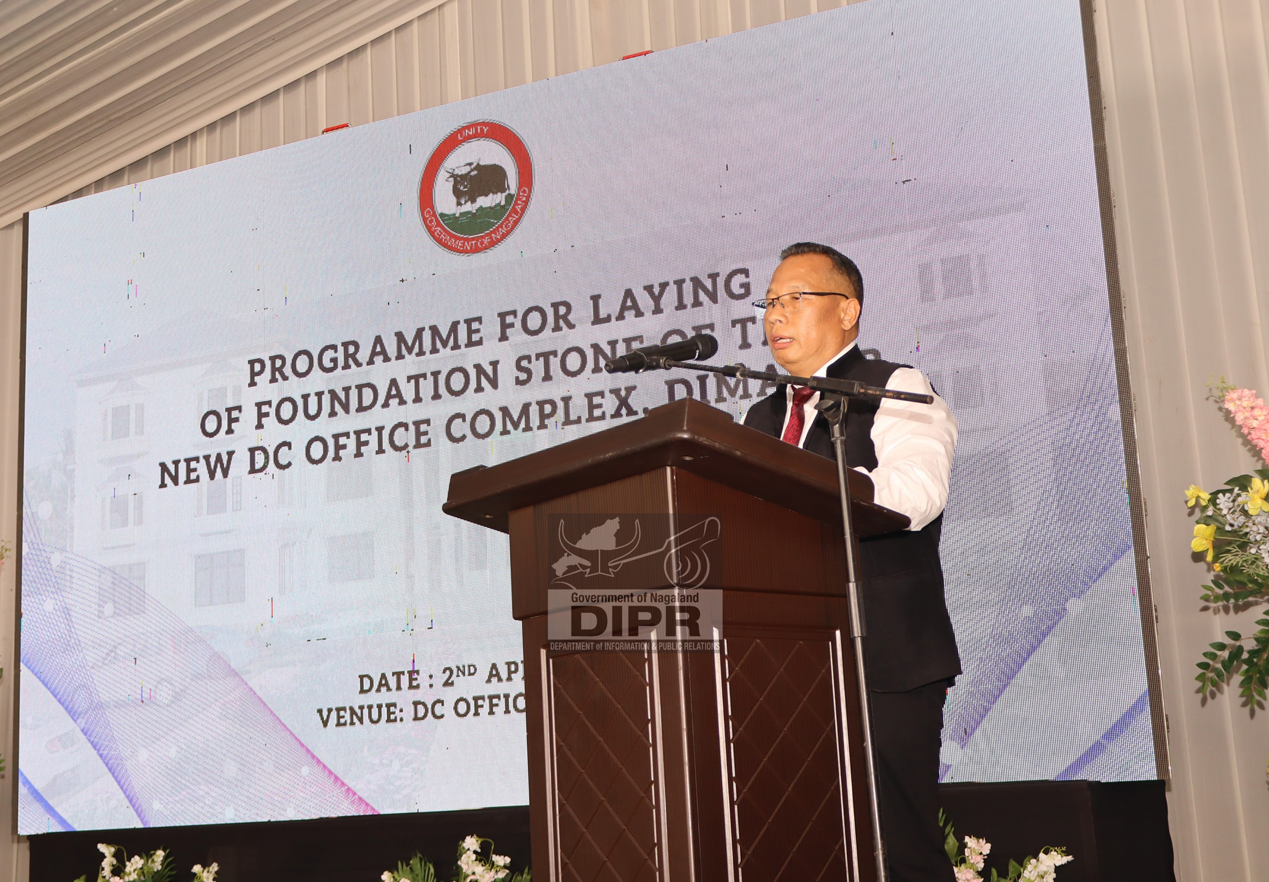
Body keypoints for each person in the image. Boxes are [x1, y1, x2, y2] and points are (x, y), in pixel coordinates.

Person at [743, 242, 961, 882]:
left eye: (795, 299)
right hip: (782, 668)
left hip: (885, 659)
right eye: (770, 302)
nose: (776, 315)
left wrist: (811, 484)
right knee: (800, 850)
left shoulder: (895, 387)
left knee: (897, 850)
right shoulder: (759, 417)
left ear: (847, 311)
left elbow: (915, 495)